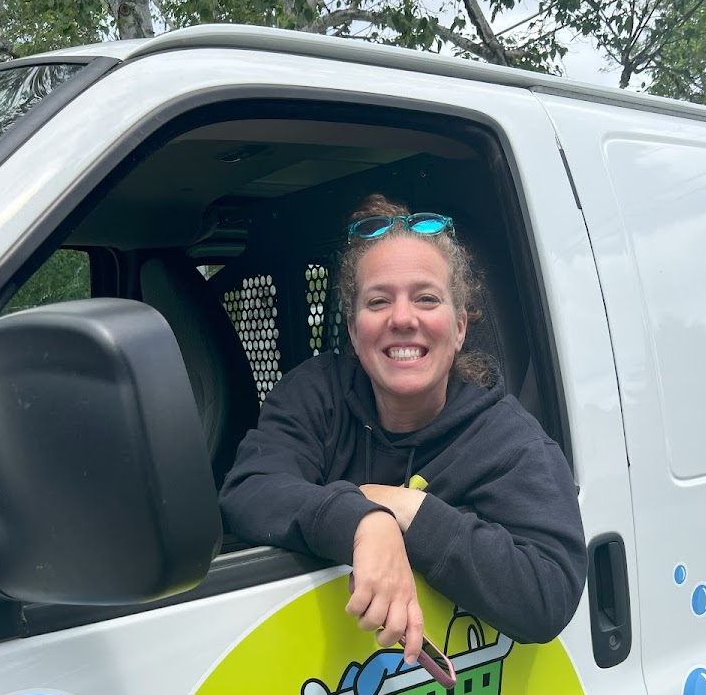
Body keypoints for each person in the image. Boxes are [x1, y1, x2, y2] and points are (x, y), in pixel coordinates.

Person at [219, 195, 587, 663]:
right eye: (378, 301)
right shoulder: (315, 394)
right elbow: (249, 490)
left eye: (426, 298)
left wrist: (405, 508)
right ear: (353, 332)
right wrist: (362, 521)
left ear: (458, 327)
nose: (402, 318)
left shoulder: (509, 442)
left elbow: (547, 594)